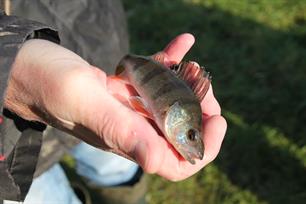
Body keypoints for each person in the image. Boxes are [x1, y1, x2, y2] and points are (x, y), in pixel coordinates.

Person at [0, 0, 227, 203]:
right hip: (10, 147)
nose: (190, 141)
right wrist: (13, 67)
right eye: (190, 134)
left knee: (116, 166)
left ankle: (131, 197)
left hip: (95, 41)